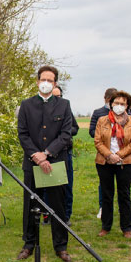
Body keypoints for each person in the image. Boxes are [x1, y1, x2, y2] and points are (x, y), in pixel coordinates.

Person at [16, 65, 74, 262]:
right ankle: (29, 244)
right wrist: (37, 156)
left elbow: (66, 134)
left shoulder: (64, 105)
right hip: (32, 164)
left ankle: (61, 246)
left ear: (55, 83)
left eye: (50, 80)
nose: (46, 83)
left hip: (55, 163)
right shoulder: (26, 105)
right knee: (31, 205)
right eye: (43, 79)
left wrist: (47, 154)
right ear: (38, 81)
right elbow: (23, 134)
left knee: (57, 206)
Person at [94, 90, 131, 237]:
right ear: (111, 104)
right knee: (107, 194)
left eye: (122, 103)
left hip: (126, 162)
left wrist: (118, 155)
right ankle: (106, 226)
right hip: (104, 162)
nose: (119, 106)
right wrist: (109, 155)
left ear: (127, 106)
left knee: (124, 194)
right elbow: (97, 141)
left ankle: (126, 227)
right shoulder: (102, 120)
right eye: (116, 103)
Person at [52, 85, 79, 224]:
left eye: (59, 96)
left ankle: (66, 216)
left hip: (64, 152)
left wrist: (64, 131)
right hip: (48, 154)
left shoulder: (66, 109)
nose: (57, 99)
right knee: (47, 187)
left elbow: (75, 128)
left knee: (66, 186)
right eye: (54, 96)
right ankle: (48, 215)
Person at [90, 87, 118, 219]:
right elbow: (92, 132)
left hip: (120, 154)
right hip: (104, 153)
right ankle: (103, 207)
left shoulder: (124, 112)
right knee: (104, 184)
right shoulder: (98, 113)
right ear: (106, 99)